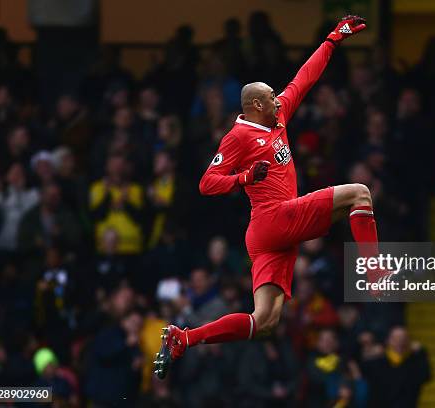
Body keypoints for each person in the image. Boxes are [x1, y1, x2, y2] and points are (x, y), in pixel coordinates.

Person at [154, 15, 381, 378]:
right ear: (256, 105)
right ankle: (374, 271)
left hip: (268, 236)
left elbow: (304, 78)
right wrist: (244, 177)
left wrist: (332, 40)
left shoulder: (277, 118)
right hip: (273, 219)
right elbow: (206, 182)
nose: (280, 99)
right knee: (360, 194)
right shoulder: (239, 137)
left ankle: (185, 337)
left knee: (265, 321)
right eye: (272, 97)